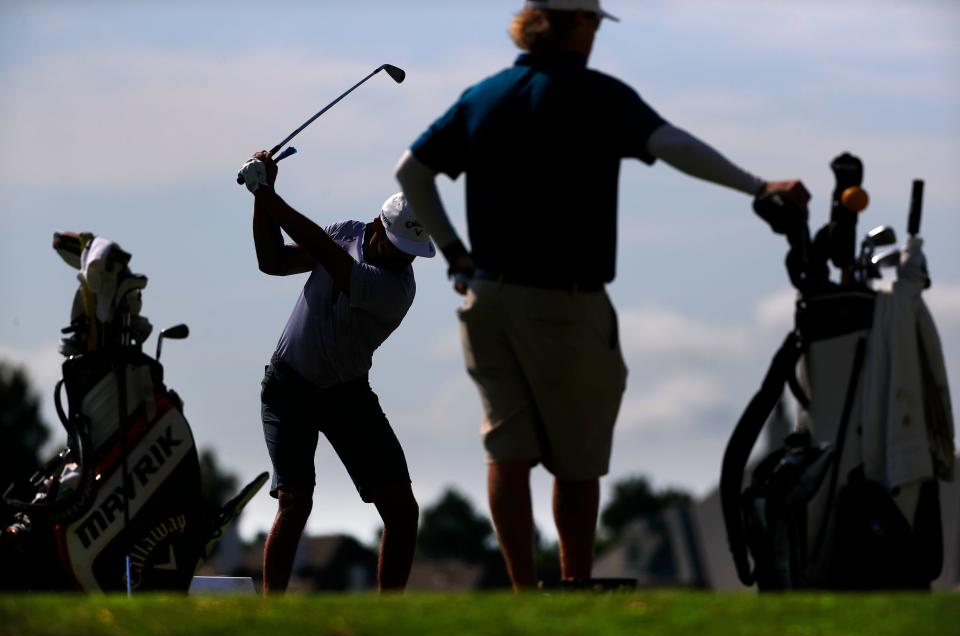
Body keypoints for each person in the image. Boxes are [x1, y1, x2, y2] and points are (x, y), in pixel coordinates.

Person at [395, 0, 810, 589]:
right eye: (593, 23)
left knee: (506, 450)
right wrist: (756, 185)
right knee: (578, 455)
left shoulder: (482, 96)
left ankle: (521, 592)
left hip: (485, 300)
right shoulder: (599, 95)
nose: (596, 34)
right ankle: (574, 586)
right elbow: (673, 145)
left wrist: (457, 257)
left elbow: (411, 171)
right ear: (573, 24)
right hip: (566, 303)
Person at [239, 151, 436, 593]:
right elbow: (272, 260)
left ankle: (387, 621)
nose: (405, 260)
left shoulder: (396, 288)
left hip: (347, 394)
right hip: (287, 387)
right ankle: (272, 618)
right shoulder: (347, 231)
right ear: (376, 227)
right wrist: (261, 195)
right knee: (295, 501)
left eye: (412, 254)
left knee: (402, 511)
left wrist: (267, 193)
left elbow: (332, 260)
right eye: (399, 249)